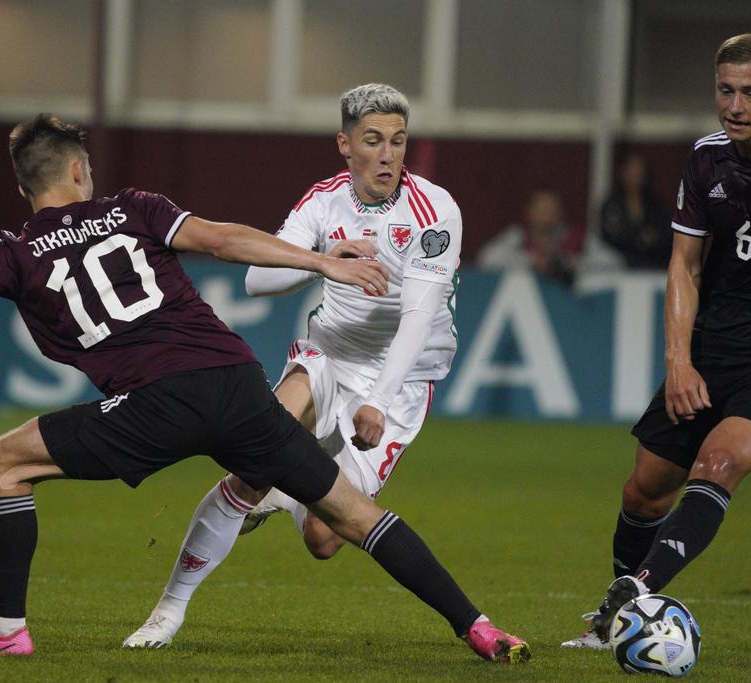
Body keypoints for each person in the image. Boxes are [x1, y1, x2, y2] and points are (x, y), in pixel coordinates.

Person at [0, 113, 528, 663]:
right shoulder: (134, 207)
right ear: (81, 171)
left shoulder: (14, 251)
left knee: (2, 463)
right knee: (354, 515)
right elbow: (224, 238)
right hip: (235, 383)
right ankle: (478, 626)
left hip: (155, 404)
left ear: (22, 187)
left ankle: (6, 632)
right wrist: (322, 262)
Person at [122, 84, 529, 664]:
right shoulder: (323, 202)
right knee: (250, 466)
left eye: (398, 141)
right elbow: (257, 281)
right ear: (345, 145)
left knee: (322, 538)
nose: (388, 155)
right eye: (373, 141)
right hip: (328, 356)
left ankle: (288, 487)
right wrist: (321, 262)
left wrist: (379, 401)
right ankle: (168, 610)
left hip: (400, 382)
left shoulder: (435, 210)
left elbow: (418, 318)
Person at [562, 33, 751, 650]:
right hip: (713, 347)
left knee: (720, 463)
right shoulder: (707, 158)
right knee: (645, 489)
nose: (734, 105)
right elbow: (684, 266)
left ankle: (633, 599)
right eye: (725, 90)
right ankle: (612, 629)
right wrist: (680, 361)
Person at [476, 189, 583, 285]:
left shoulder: (574, 239)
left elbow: (591, 272)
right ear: (529, 212)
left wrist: (564, 265)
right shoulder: (516, 237)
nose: (547, 217)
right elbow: (486, 259)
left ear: (560, 213)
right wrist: (531, 263)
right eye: (541, 210)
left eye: (551, 210)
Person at [599, 153, 671, 269]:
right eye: (631, 170)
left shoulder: (656, 206)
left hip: (653, 266)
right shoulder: (611, 206)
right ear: (622, 172)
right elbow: (609, 237)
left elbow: (665, 235)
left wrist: (647, 241)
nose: (635, 175)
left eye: (639, 170)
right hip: (618, 266)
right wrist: (638, 239)